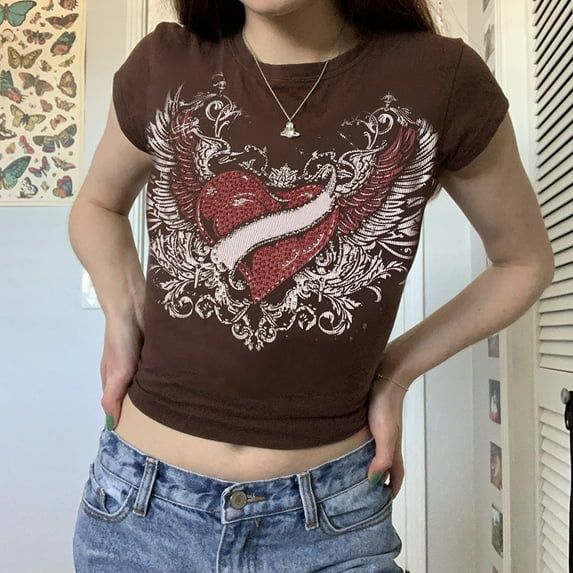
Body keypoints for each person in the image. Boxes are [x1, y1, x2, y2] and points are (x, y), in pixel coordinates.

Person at [69, 1, 555, 571]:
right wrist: (122, 312)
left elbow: (523, 262)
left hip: (330, 521)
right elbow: (97, 206)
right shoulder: (165, 63)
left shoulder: (441, 80)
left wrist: (396, 373)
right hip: (139, 511)